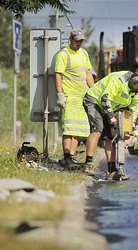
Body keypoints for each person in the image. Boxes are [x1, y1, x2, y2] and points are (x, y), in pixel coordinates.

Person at [82, 70, 138, 179]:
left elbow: (134, 107)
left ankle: (111, 170)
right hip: (94, 100)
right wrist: (111, 116)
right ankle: (88, 164)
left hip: (110, 106)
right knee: (97, 129)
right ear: (134, 81)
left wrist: (132, 123)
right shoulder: (119, 81)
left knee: (112, 137)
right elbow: (105, 99)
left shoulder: (135, 90)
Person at [54, 28, 94, 170]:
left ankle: (71, 157)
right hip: (69, 96)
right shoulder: (63, 54)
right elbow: (58, 74)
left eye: (81, 41)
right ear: (70, 39)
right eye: (77, 41)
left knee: (80, 129)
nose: (79, 43)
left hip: (82, 97)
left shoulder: (84, 53)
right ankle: (66, 158)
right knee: (69, 128)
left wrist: (94, 91)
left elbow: (87, 73)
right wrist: (60, 94)